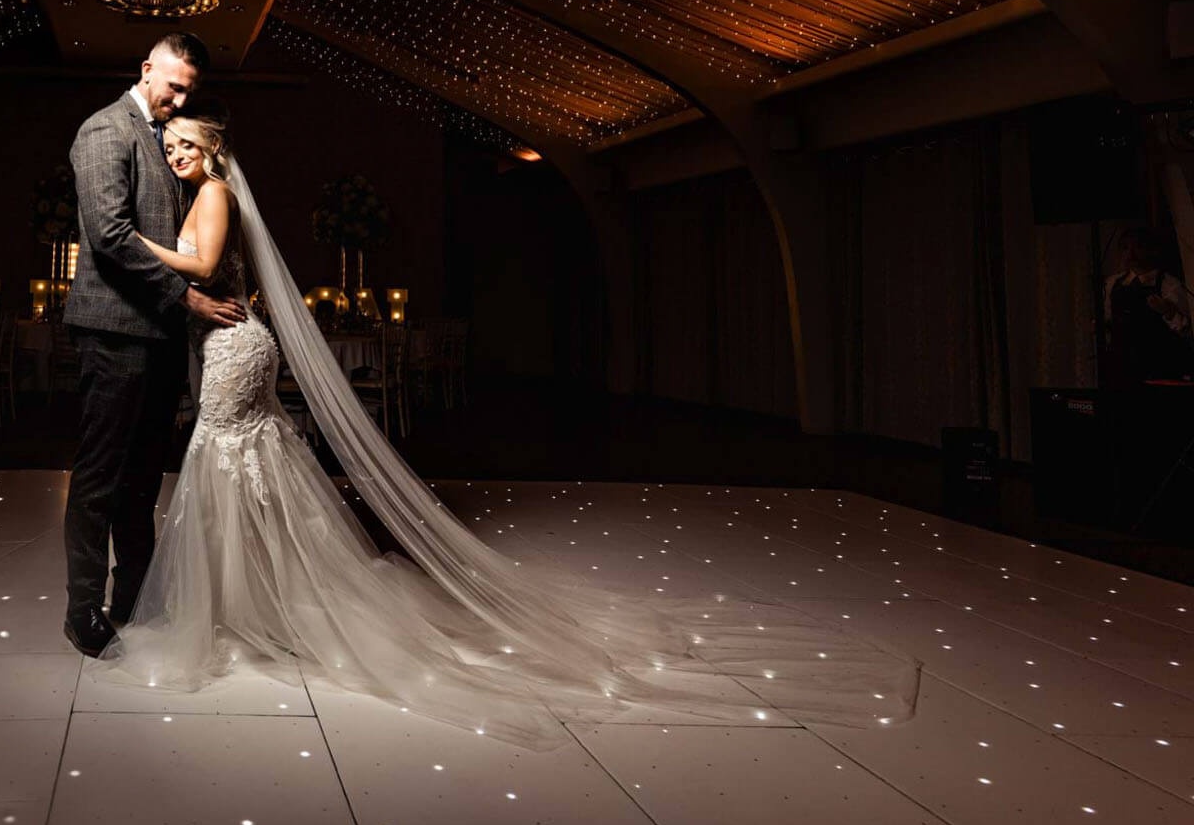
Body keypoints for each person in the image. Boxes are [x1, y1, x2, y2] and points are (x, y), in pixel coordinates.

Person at [85, 111, 924, 751]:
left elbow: (199, 268)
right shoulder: (205, 194)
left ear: (214, 152)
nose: (176, 159)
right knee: (244, 466)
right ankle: (255, 603)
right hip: (232, 344)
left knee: (225, 460)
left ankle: (245, 611)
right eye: (170, 151)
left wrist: (128, 242)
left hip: (232, 348)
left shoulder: (217, 197)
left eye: (186, 148)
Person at [61, 33, 245, 659]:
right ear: (146, 70)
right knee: (98, 478)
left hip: (159, 336)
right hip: (114, 333)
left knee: (142, 481)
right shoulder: (104, 131)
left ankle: (133, 596)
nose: (180, 97)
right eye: (173, 85)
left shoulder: (166, 137)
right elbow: (110, 237)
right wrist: (187, 299)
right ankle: (82, 609)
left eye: (189, 90)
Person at [1101, 227, 1192, 390]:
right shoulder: (1112, 284)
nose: (1131, 254)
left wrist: (1168, 312)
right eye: (1125, 248)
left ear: (1152, 251)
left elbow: (1186, 331)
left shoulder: (1169, 285)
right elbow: (1107, 322)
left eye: (1138, 247)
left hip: (1158, 370)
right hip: (1121, 370)